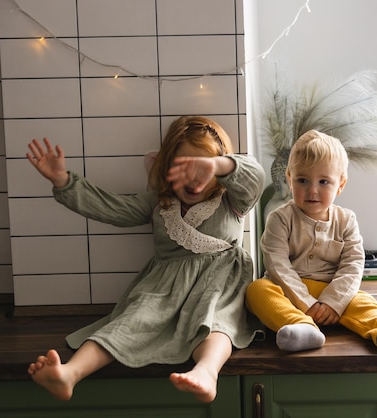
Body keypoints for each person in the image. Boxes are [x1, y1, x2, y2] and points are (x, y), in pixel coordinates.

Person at [26, 116, 265, 403]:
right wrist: (63, 180)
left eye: (202, 168)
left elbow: (255, 177)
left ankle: (206, 372)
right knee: (131, 320)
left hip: (220, 285)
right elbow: (110, 207)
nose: (194, 177)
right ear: (166, 168)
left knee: (217, 323)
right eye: (184, 167)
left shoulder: (232, 201)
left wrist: (219, 165)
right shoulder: (158, 203)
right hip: (164, 287)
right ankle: (70, 374)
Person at [246, 130, 377, 352]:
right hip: (289, 291)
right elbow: (277, 264)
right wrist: (306, 304)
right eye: (302, 180)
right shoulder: (280, 218)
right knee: (257, 290)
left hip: (332, 290)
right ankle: (301, 327)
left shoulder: (346, 220)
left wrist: (332, 302)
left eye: (323, 181)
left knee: (361, 300)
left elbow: (352, 265)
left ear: (340, 184)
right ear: (289, 179)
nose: (312, 190)